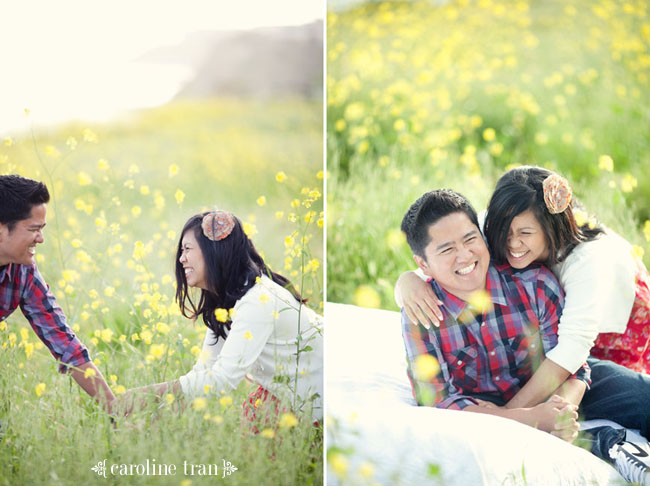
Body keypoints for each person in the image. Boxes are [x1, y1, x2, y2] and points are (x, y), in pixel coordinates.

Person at [399, 189, 650, 484]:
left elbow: (575, 366)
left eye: (470, 239)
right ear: (423, 264)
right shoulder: (422, 316)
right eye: (447, 249)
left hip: (558, 383)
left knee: (643, 397)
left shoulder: (534, 283)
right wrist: (531, 419)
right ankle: (614, 444)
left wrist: (557, 412)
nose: (465, 255)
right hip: (488, 412)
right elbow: (437, 402)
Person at [396, 166, 650, 408]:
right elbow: (443, 261)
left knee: (607, 387)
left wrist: (512, 414)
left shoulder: (587, 262)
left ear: (549, 227)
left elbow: (573, 350)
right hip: (553, 322)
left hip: (616, 322)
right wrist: (407, 281)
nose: (512, 243)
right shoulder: (496, 225)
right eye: (505, 231)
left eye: (525, 233)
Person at [112, 210, 323, 423]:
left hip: (322, 394)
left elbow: (223, 379)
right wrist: (151, 422)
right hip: (295, 392)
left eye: (187, 249)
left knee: (262, 418)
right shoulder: (228, 300)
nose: (181, 258)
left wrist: (147, 395)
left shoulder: (257, 300)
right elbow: (204, 371)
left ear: (213, 251)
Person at [0, 174, 115, 409]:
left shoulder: (24, 272)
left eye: (42, 229)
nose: (41, 239)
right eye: (34, 229)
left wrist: (115, 410)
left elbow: (65, 344)